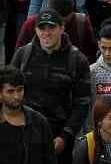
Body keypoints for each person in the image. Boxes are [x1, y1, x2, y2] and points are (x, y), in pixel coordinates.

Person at [9, 10, 91, 160]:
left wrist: (65, 136)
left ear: (62, 28)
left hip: (59, 139)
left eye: (51, 28)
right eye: (42, 28)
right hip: (24, 134)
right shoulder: (22, 55)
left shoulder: (77, 60)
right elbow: (9, 93)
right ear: (35, 30)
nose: (46, 33)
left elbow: (82, 103)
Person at [0, 66, 53, 164]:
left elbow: (49, 158)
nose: (16, 96)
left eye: (20, 90)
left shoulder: (39, 123)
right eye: (10, 91)